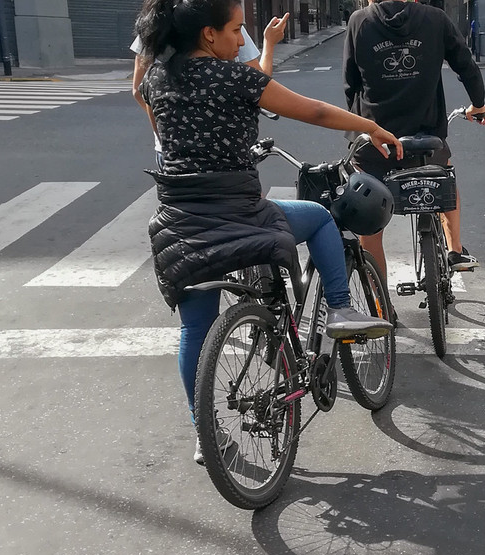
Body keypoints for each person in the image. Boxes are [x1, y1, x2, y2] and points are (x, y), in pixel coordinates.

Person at [135, 0, 399, 463]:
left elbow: (150, 109)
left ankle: (206, 432)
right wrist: (371, 126)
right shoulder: (237, 78)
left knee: (195, 327)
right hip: (240, 214)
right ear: (209, 35)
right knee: (318, 217)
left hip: (182, 225)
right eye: (237, 31)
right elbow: (314, 112)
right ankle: (339, 309)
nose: (242, 41)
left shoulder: (157, 79)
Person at [343, 0, 485, 281]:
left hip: (376, 146)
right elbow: (466, 65)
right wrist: (478, 103)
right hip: (426, 142)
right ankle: (455, 249)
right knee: (446, 179)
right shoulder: (436, 19)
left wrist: (360, 126)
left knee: (370, 228)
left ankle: (380, 304)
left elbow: (350, 84)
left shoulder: (359, 22)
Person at [131, 14, 286, 169]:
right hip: (227, 153)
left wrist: (170, 125)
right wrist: (269, 43)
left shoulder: (155, 24)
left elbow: (139, 90)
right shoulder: (224, 22)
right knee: (241, 190)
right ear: (209, 34)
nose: (240, 41)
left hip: (172, 152)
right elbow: (260, 83)